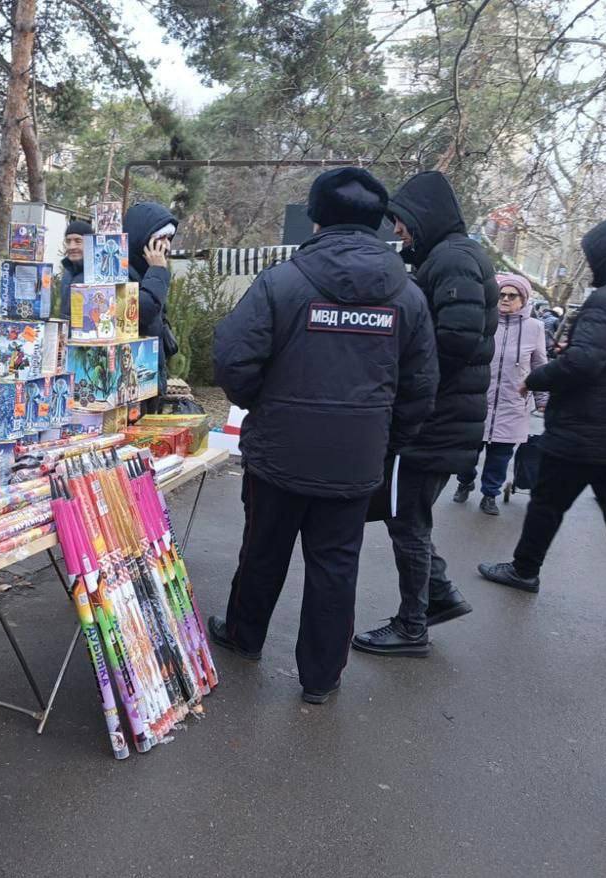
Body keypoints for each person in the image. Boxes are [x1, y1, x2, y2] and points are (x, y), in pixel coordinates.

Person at [208, 168, 438, 704]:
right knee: (336, 564)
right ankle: (321, 677)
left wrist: (262, 404)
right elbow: (421, 387)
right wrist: (385, 438)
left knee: (264, 549)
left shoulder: (282, 282)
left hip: (279, 450)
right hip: (355, 460)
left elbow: (233, 357)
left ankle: (245, 636)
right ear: (379, 223)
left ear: (316, 217)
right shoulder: (407, 295)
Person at [479, 217, 606, 632]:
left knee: (548, 504)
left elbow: (584, 361)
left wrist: (535, 379)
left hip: (582, 430)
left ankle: (524, 569)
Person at [352, 170, 499, 658]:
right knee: (406, 514)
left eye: (401, 221)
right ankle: (438, 595)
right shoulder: (453, 256)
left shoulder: (453, 259)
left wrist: (407, 374)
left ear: (424, 217)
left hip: (432, 421)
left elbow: (455, 339)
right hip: (445, 417)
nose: (398, 231)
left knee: (406, 520)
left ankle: (413, 624)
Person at [453, 273, 548, 515]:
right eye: (501, 294)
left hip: (512, 403)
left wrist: (542, 399)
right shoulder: (485, 321)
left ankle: (489, 495)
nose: (505, 299)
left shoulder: (535, 328)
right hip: (479, 401)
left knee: (500, 456)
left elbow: (539, 366)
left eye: (511, 295)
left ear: (523, 299)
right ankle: (465, 481)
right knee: (468, 452)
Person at [124, 202, 179, 400]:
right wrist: (157, 271)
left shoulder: (147, 271)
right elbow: (142, 311)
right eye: (161, 238)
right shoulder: (125, 273)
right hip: (132, 380)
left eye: (169, 238)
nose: (166, 245)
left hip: (151, 375)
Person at [56, 218, 92, 324]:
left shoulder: (98, 274)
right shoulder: (68, 272)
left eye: (78, 241)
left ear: (90, 243)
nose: (72, 247)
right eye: (68, 241)